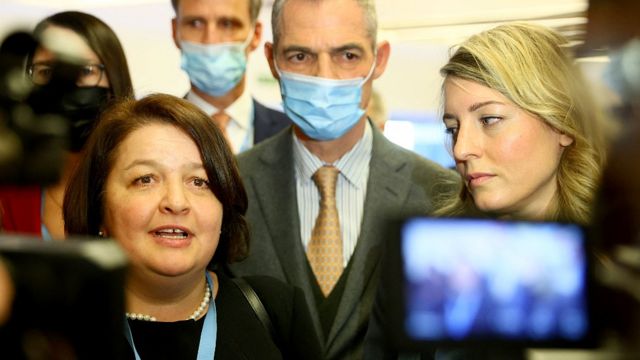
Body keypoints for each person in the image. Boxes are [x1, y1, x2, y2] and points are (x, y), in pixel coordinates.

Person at [365, 22, 613, 359]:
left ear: (561, 123)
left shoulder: (616, 271)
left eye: (489, 120)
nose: (460, 149)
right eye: (453, 128)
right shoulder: (424, 267)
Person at [226, 0, 459, 358]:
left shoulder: (440, 196)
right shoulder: (230, 186)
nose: (324, 77)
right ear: (273, 60)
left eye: (347, 55)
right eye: (300, 56)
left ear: (379, 59)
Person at [63, 93, 322, 359]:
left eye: (199, 182)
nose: (176, 202)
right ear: (99, 208)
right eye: (146, 179)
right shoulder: (52, 333)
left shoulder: (277, 310)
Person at [0, 11, 133, 240]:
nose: (67, 84)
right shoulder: (11, 181)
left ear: (113, 78)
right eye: (45, 71)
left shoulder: (141, 173)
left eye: (85, 71)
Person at [171, 0, 290, 153]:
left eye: (227, 24)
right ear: (175, 31)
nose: (210, 41)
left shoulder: (294, 135)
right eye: (195, 23)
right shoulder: (150, 135)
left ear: (255, 34)